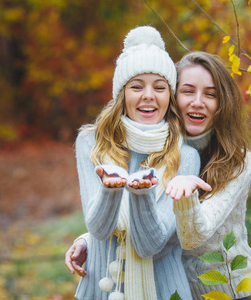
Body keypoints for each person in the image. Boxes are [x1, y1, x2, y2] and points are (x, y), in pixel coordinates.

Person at [66, 51, 251, 300]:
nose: (198, 102)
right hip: (176, 286)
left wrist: (184, 190)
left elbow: (192, 236)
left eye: (210, 94)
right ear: (172, 95)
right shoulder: (160, 149)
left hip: (229, 289)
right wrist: (89, 240)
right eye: (188, 91)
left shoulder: (237, 161)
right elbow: (139, 215)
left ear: (223, 103)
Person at [74, 26, 201, 300]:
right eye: (136, 86)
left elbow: (150, 245)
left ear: (170, 95)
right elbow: (98, 228)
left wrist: (140, 192)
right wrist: (111, 190)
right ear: (122, 94)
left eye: (159, 87)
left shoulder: (185, 157)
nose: (148, 96)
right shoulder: (91, 143)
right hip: (99, 290)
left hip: (165, 291)